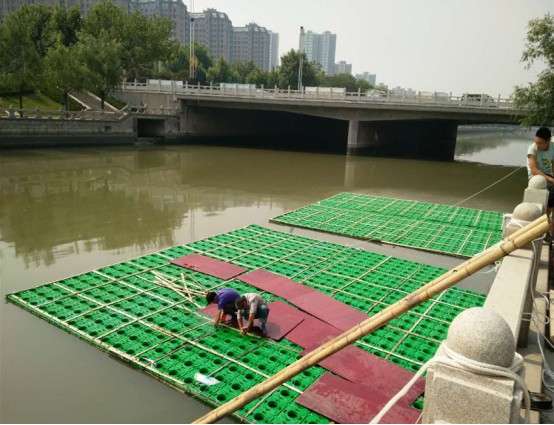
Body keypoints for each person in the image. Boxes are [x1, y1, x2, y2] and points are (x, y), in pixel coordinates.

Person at [527, 126, 554, 238]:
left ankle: (549, 226)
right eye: (536, 142)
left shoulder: (552, 147)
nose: (537, 145)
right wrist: (550, 179)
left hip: (548, 176)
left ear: (548, 141)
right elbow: (534, 170)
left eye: (540, 143)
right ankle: (546, 224)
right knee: (551, 197)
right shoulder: (532, 149)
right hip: (536, 177)